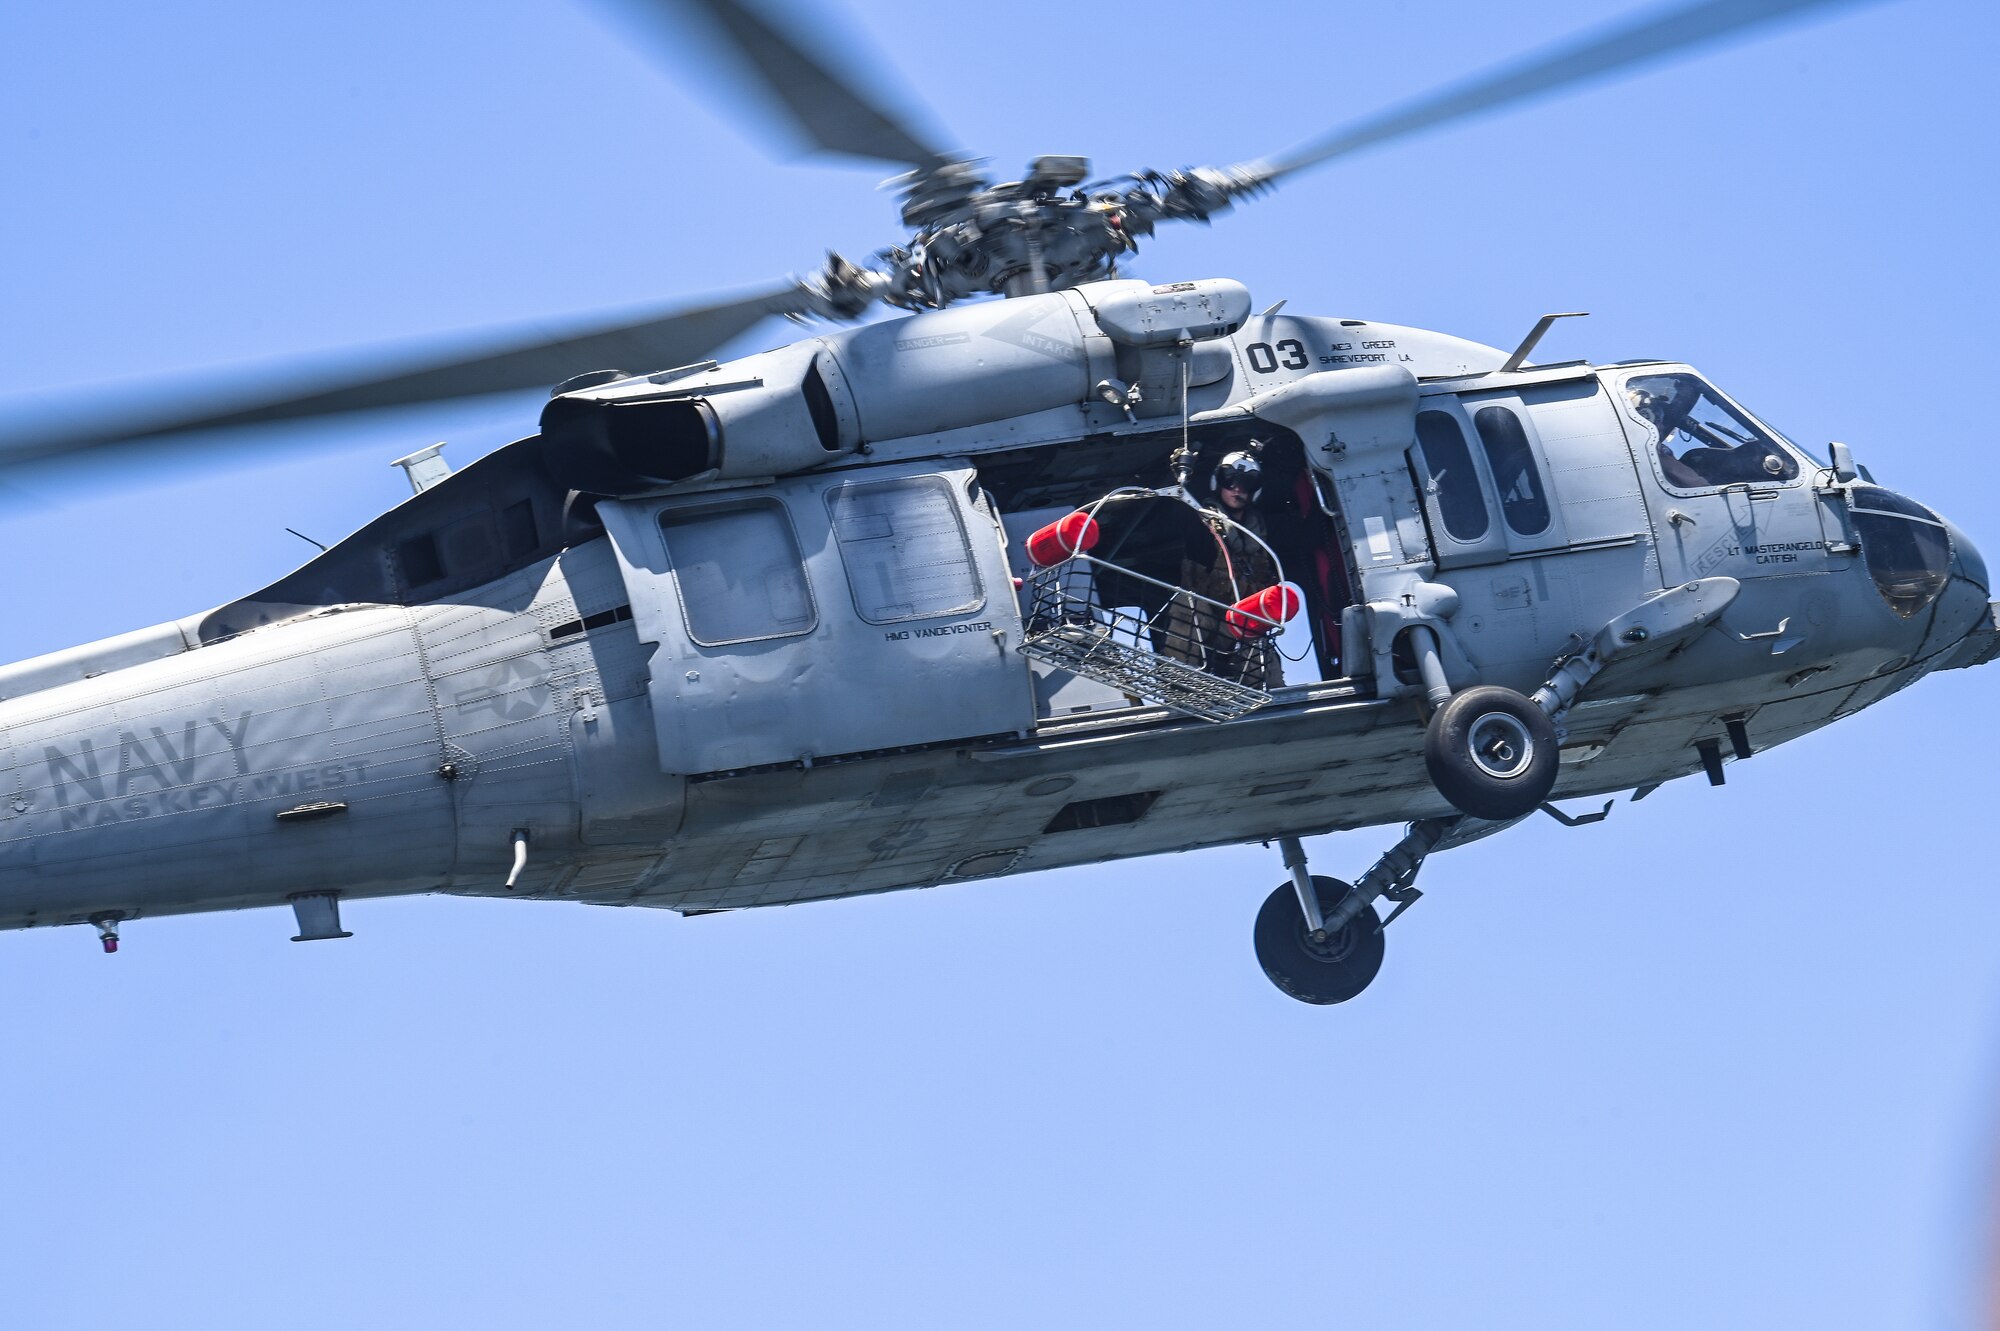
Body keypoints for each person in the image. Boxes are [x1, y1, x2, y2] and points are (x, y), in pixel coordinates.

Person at [1160, 449, 1284, 688]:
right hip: (1203, 618)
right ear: (1218, 482)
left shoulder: (1262, 534)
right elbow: (1176, 504)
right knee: (1188, 604)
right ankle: (1179, 686)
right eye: (1230, 481)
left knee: (1262, 651)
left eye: (1246, 484)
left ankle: (1272, 697)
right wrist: (1178, 474)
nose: (1238, 489)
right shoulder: (1201, 520)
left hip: (1240, 622)